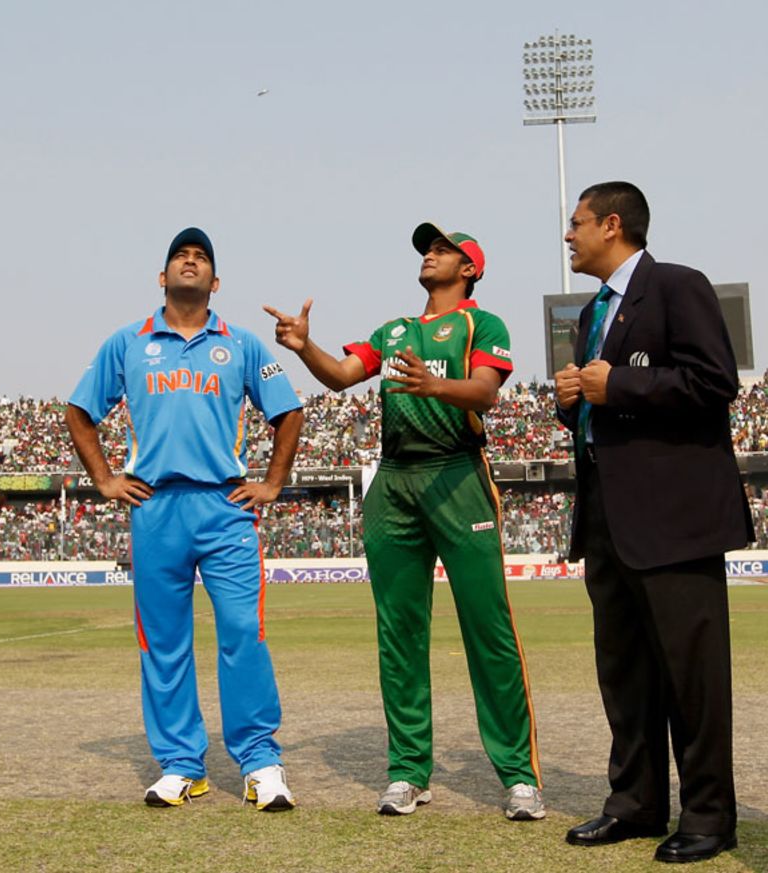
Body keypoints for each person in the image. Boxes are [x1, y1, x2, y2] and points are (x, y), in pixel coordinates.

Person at [266, 223, 543, 820]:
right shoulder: (392, 331)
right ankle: (408, 771)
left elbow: (486, 393)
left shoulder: (481, 323)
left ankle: (518, 776)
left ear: (469, 268)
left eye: (443, 249)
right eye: (426, 248)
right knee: (399, 633)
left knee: (488, 629)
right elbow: (342, 376)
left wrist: (434, 385)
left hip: (457, 476)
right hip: (392, 481)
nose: (430, 255)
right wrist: (304, 347)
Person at [65, 227, 303, 811]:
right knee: (163, 642)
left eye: (200, 258)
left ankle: (260, 762)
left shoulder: (242, 344)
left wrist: (272, 483)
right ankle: (180, 764)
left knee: (244, 633)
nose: (189, 262)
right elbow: (78, 410)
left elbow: (289, 411)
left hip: (225, 507)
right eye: (180, 257)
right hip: (154, 506)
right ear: (162, 277)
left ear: (216, 282)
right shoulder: (128, 342)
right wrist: (104, 478)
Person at [555, 181, 751, 863]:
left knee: (691, 675)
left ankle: (708, 814)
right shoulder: (589, 316)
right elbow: (601, 405)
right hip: (607, 515)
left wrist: (619, 385)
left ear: (613, 225)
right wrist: (573, 398)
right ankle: (635, 802)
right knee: (625, 671)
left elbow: (714, 380)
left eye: (576, 223)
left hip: (675, 518)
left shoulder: (677, 285)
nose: (569, 235)